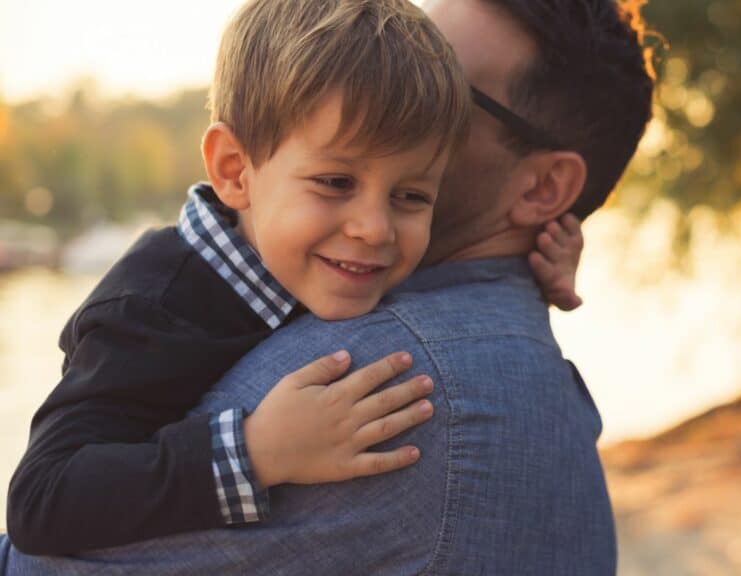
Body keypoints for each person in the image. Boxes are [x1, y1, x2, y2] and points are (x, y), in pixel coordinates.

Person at [0, 0, 653, 573]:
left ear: (543, 190)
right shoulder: (163, 307)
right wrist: (252, 451)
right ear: (235, 169)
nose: (394, 82)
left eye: (443, 79)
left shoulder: (386, 382)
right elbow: (43, 503)